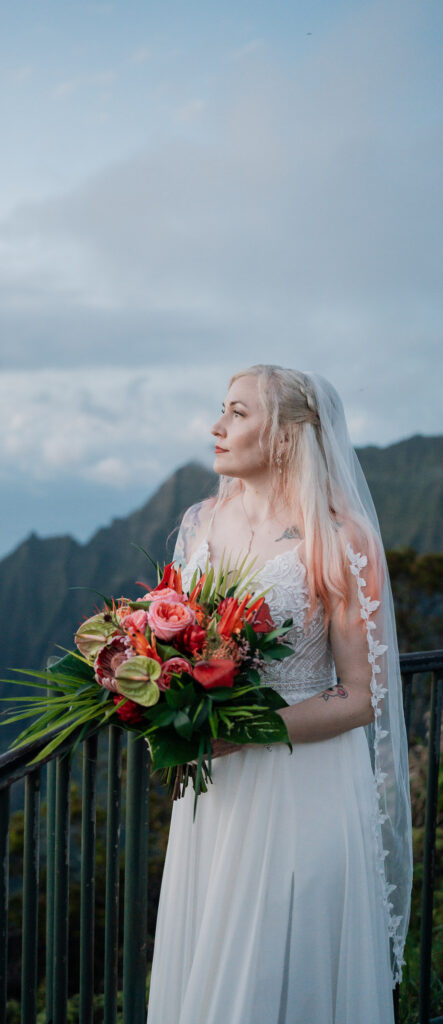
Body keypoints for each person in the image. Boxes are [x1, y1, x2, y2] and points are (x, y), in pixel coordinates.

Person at [146, 365, 412, 1024]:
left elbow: (361, 697)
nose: (217, 426)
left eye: (236, 412)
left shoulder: (339, 539)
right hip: (217, 794)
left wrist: (248, 731)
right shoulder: (201, 522)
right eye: (221, 410)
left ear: (288, 435)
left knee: (276, 973)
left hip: (303, 790)